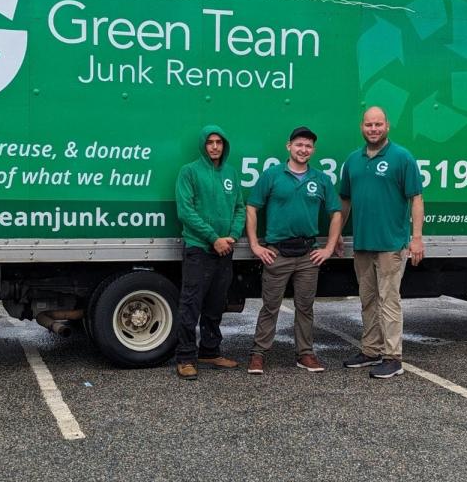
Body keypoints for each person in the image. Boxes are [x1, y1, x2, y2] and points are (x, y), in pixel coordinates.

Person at [245, 126, 342, 374]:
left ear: (313, 150)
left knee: (305, 307)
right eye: (299, 145)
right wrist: (256, 244)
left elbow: (336, 213)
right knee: (270, 306)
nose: (303, 149)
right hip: (277, 253)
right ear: (289, 146)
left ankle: (305, 354)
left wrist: (329, 248)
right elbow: (252, 208)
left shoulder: (321, 179)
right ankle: (258, 354)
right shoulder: (272, 175)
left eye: (308, 146)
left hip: (308, 255)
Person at [339, 106, 424, 379]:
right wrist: (337, 232)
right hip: (363, 244)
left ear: (387, 126)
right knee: (368, 300)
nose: (373, 129)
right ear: (361, 127)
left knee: (389, 301)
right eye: (368, 125)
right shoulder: (353, 160)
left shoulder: (402, 157)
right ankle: (370, 350)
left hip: (391, 245)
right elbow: (345, 200)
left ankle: (393, 357)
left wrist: (417, 239)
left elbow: (417, 199)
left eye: (378, 124)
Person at [173, 124, 246, 380]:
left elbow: (239, 207)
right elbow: (185, 211)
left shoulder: (231, 173)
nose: (215, 146)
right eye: (210, 142)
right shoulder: (189, 172)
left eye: (219, 142)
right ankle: (185, 357)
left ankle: (210, 351)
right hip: (199, 249)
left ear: (224, 145)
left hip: (225, 250)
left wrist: (233, 236)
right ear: (203, 145)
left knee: (216, 304)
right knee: (191, 305)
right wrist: (214, 238)